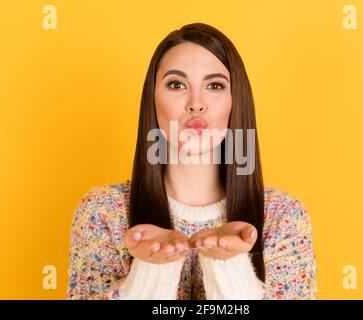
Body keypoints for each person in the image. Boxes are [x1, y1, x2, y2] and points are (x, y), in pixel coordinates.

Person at [67, 22, 317, 300]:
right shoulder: (104, 211)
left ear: (236, 101)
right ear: (153, 101)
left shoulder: (282, 216)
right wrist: (150, 272)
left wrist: (229, 267)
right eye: (176, 84)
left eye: (214, 85)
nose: (196, 103)